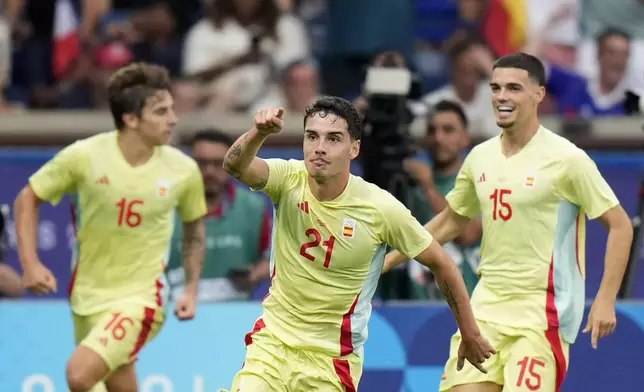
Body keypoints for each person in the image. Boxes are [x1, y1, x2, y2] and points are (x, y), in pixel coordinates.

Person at [384, 53, 634, 392]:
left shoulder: (567, 159)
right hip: (485, 309)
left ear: (538, 95)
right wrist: (387, 261)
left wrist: (606, 299)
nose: (502, 96)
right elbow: (450, 222)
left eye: (514, 88)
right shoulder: (480, 157)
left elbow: (620, 225)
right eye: (496, 88)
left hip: (539, 317)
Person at [220, 96, 495, 391]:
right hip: (272, 346)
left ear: (354, 148)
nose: (320, 147)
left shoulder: (380, 208)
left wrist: (469, 333)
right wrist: (258, 132)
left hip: (330, 361)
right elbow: (234, 166)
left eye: (333, 138)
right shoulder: (288, 178)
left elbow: (442, 264)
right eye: (312, 136)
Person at [13, 63, 207, 392]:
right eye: (161, 111)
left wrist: (190, 288)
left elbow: (194, 230)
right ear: (130, 119)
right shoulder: (84, 156)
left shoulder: (183, 170)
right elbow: (27, 198)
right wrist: (30, 264)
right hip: (86, 296)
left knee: (79, 373)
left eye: (172, 109)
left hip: (142, 298)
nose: (173, 119)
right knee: (109, 385)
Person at [166, 129, 272, 301]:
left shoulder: (254, 208)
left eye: (218, 164)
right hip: (174, 311)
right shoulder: (167, 207)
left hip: (234, 314)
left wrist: (253, 275)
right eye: (201, 163)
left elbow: (274, 259)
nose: (209, 171)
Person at [404, 100, 482, 298]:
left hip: (465, 307)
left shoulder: (480, 181)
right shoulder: (409, 185)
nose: (438, 138)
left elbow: (468, 234)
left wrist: (429, 188)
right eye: (432, 131)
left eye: (448, 130)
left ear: (465, 138)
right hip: (415, 305)